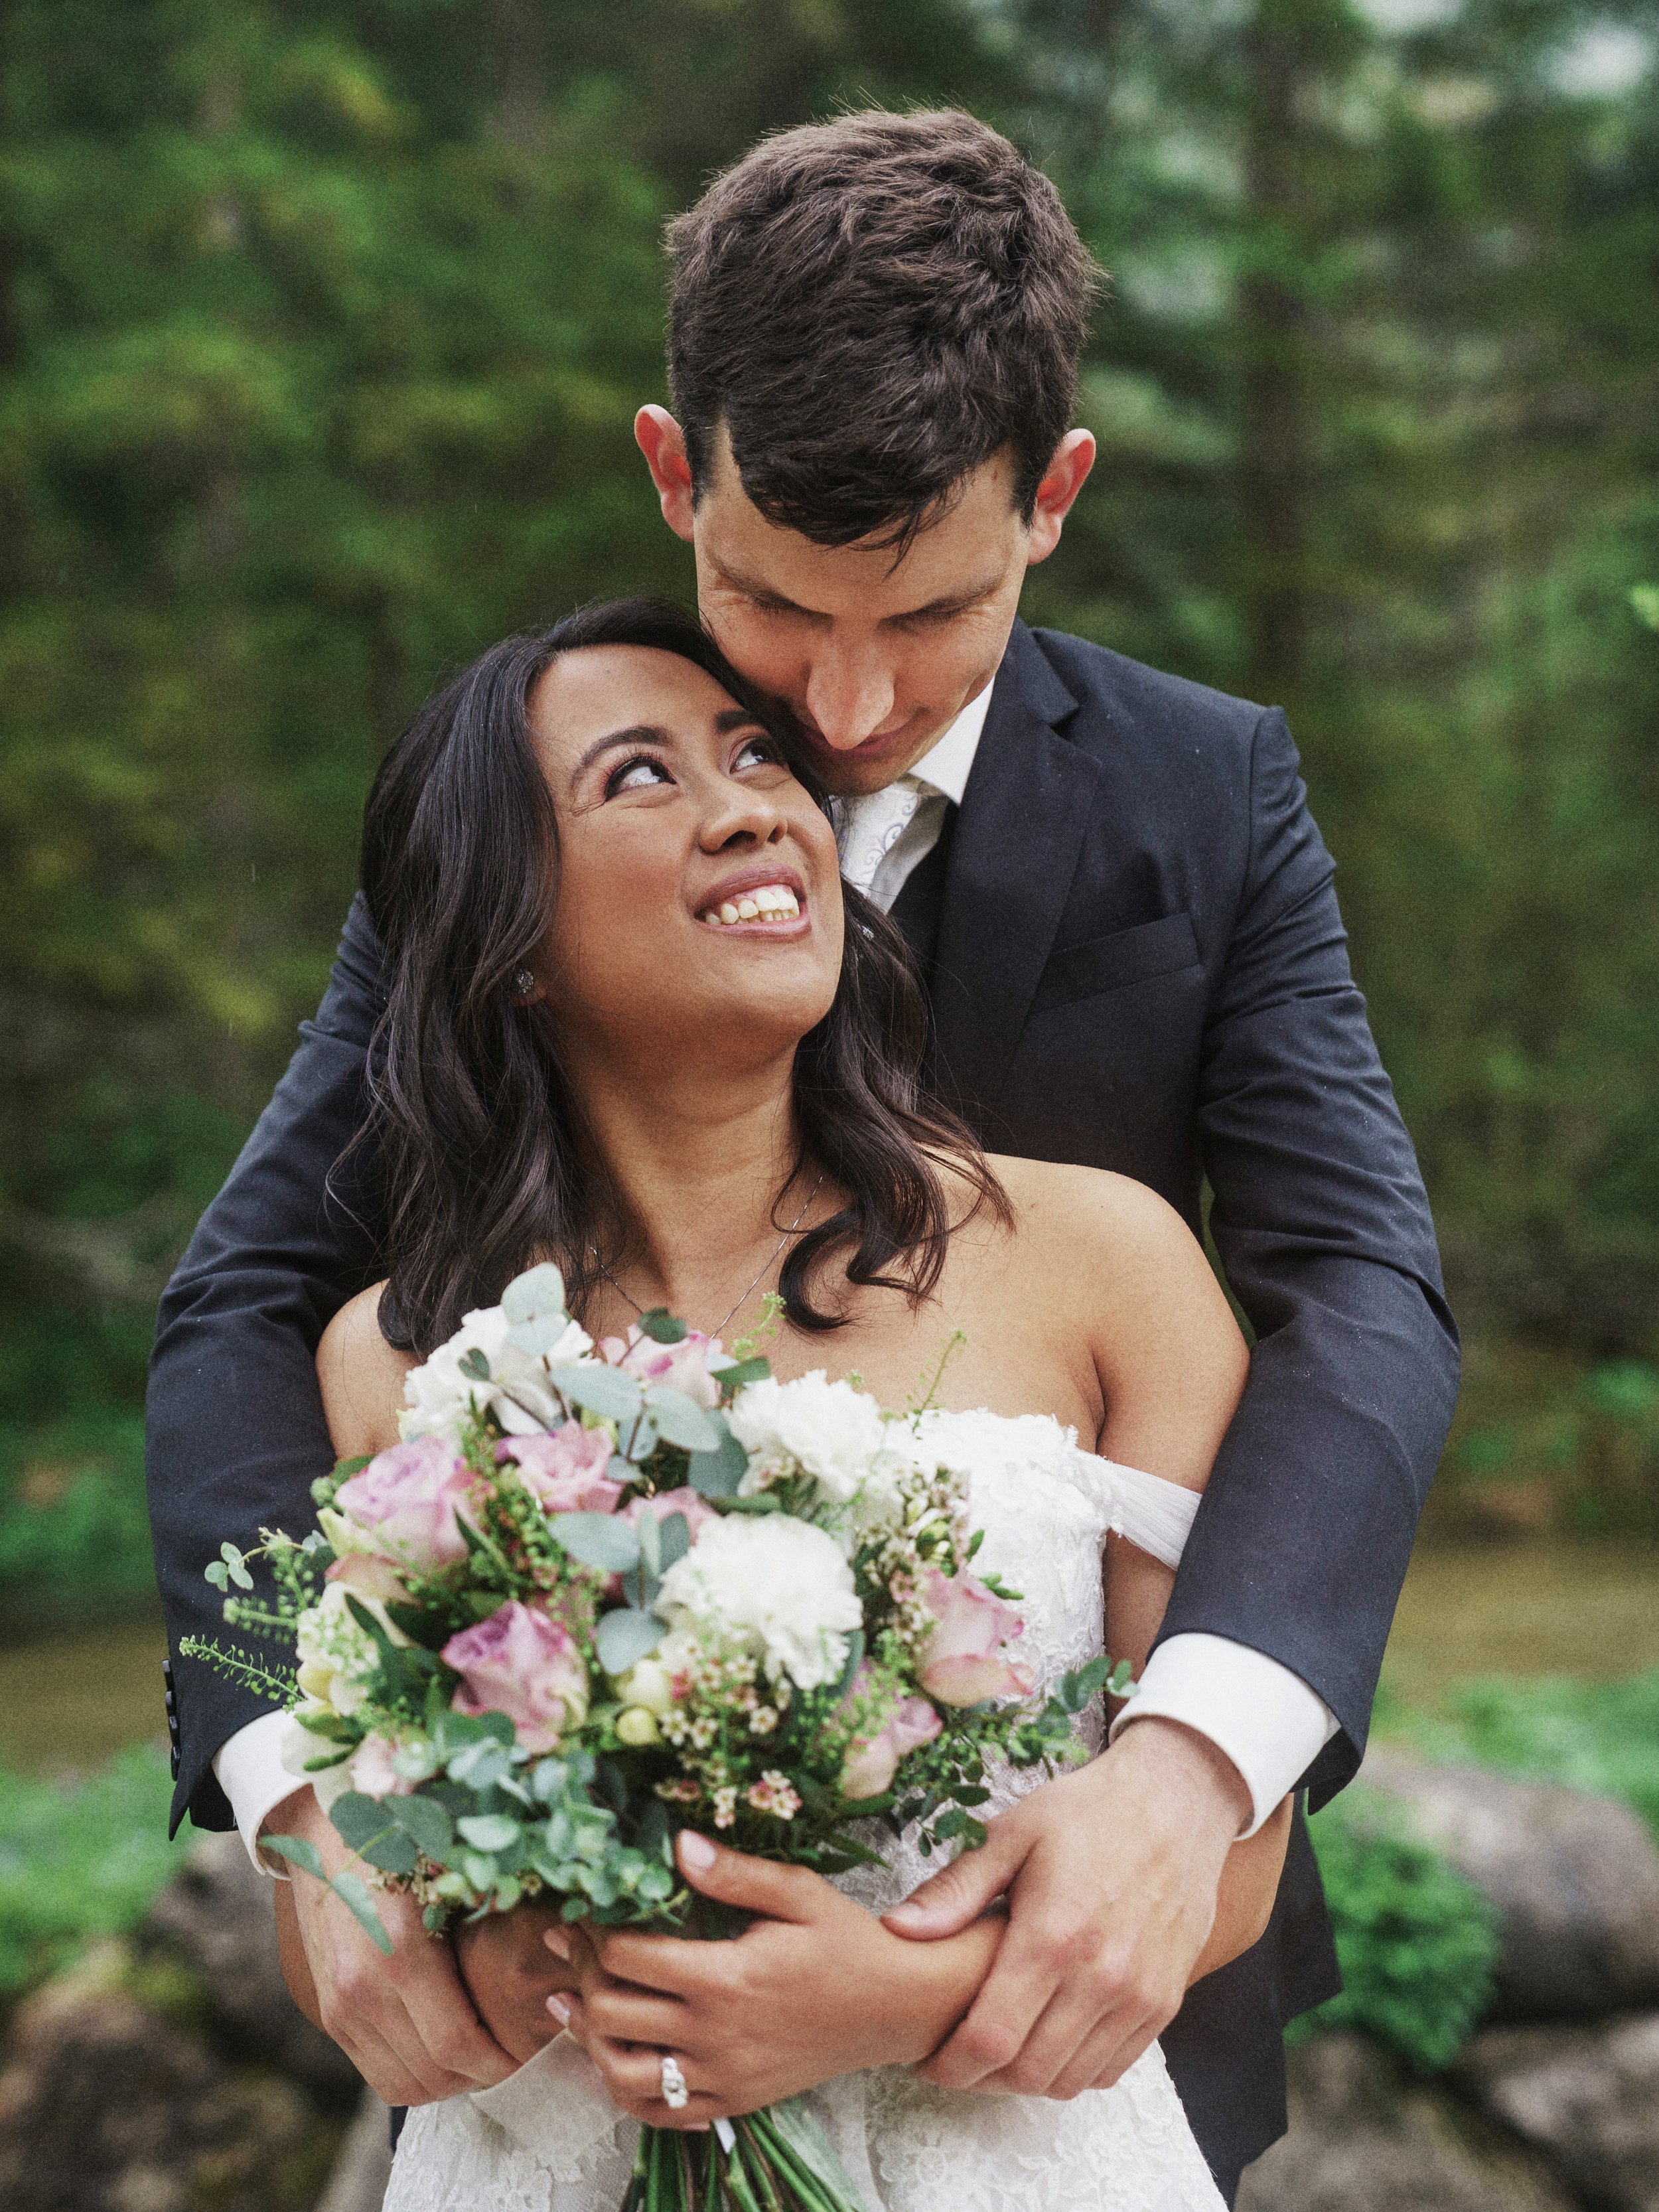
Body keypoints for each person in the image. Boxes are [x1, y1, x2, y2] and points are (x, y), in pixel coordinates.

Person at [146, 111, 1458, 2203]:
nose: (837, 712)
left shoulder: (1203, 802)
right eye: (761, 603)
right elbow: (239, 1302)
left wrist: (1191, 1760)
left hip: (1081, 1984)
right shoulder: (530, 808)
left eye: (928, 614)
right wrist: (304, 1800)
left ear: (1053, 498)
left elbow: (1362, 1294)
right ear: (675, 472)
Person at [305, 593, 1291, 2212]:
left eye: (755, 757)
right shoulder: (402, 1364)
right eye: (641, 777)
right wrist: (555, 1936)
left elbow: (1223, 1867)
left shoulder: (1106, 1266)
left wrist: (885, 1999)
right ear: (512, 941)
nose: (756, 802)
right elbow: (378, 1914)